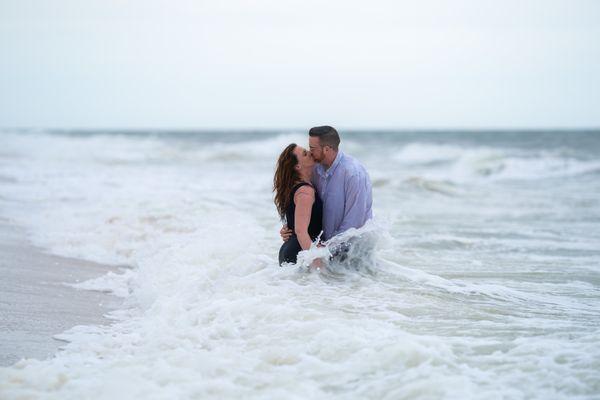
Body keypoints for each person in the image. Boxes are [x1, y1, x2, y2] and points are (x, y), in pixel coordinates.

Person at [280, 126, 373, 250]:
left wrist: (327, 250)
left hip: (352, 254)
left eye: (312, 148)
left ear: (327, 149)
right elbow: (301, 204)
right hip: (323, 252)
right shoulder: (314, 169)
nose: (310, 152)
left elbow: (353, 224)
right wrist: (288, 228)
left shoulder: (353, 174)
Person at [273, 143, 323, 266]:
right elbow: (300, 231)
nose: (310, 153)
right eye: (305, 154)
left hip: (291, 250)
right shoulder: (305, 191)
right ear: (298, 166)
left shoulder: (293, 187)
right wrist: (316, 263)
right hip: (299, 252)